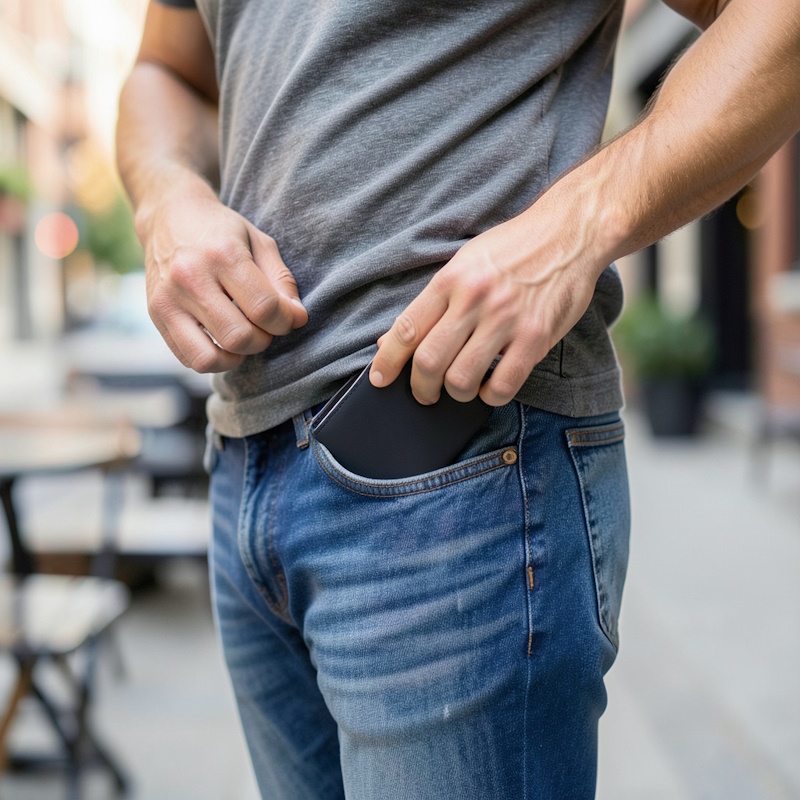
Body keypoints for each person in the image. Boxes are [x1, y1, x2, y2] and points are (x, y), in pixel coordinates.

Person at [116, 1, 800, 797]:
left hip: (456, 464)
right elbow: (167, 70)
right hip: (244, 466)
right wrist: (165, 198)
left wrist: (580, 223)